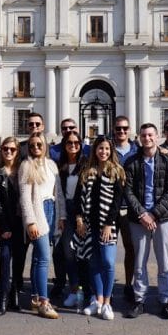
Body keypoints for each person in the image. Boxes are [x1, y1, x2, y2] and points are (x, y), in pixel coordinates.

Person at [123, 123, 168, 320]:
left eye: (150, 135)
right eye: (143, 135)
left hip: (162, 219)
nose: (147, 138)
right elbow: (127, 190)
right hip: (138, 220)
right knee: (139, 262)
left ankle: (165, 301)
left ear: (156, 137)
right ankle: (139, 300)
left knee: (164, 261)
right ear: (139, 138)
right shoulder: (131, 162)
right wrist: (142, 214)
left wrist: (154, 214)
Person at [73, 136, 124, 320]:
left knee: (108, 263)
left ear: (111, 151)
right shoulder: (87, 171)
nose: (103, 152)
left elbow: (117, 203)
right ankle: (98, 300)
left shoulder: (117, 172)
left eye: (107, 149)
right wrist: (79, 219)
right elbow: (78, 197)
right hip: (88, 224)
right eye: (100, 148)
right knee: (93, 262)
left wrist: (109, 224)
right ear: (95, 150)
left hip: (107, 225)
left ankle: (108, 302)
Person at [18, 131, 65, 319]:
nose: (36, 148)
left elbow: (58, 192)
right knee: (45, 257)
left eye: (39, 144)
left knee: (39, 257)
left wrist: (62, 215)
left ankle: (36, 297)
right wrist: (30, 222)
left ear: (45, 145)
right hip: (38, 212)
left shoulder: (52, 165)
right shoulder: (26, 165)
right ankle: (45, 302)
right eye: (32, 145)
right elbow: (24, 198)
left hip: (52, 209)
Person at [53, 130, 87, 308]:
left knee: (85, 253)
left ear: (81, 145)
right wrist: (61, 216)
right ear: (64, 146)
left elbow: (87, 193)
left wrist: (81, 217)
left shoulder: (87, 165)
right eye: (69, 143)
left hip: (83, 213)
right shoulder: (61, 166)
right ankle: (74, 289)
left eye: (76, 143)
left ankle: (87, 290)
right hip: (66, 212)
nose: (73, 146)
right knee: (69, 253)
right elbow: (59, 194)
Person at [0, 136, 25, 315]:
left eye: (12, 149)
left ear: (17, 151)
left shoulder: (23, 170)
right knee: (5, 258)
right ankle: (3, 298)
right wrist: (3, 225)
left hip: (22, 221)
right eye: (5, 149)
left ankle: (15, 293)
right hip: (6, 223)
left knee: (19, 260)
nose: (8, 152)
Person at [111, 115, 138, 302]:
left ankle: (129, 285)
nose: (121, 131)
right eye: (118, 128)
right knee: (108, 250)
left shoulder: (137, 150)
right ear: (114, 130)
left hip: (129, 208)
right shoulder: (107, 149)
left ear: (129, 130)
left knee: (131, 248)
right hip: (110, 208)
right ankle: (108, 287)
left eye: (124, 128)